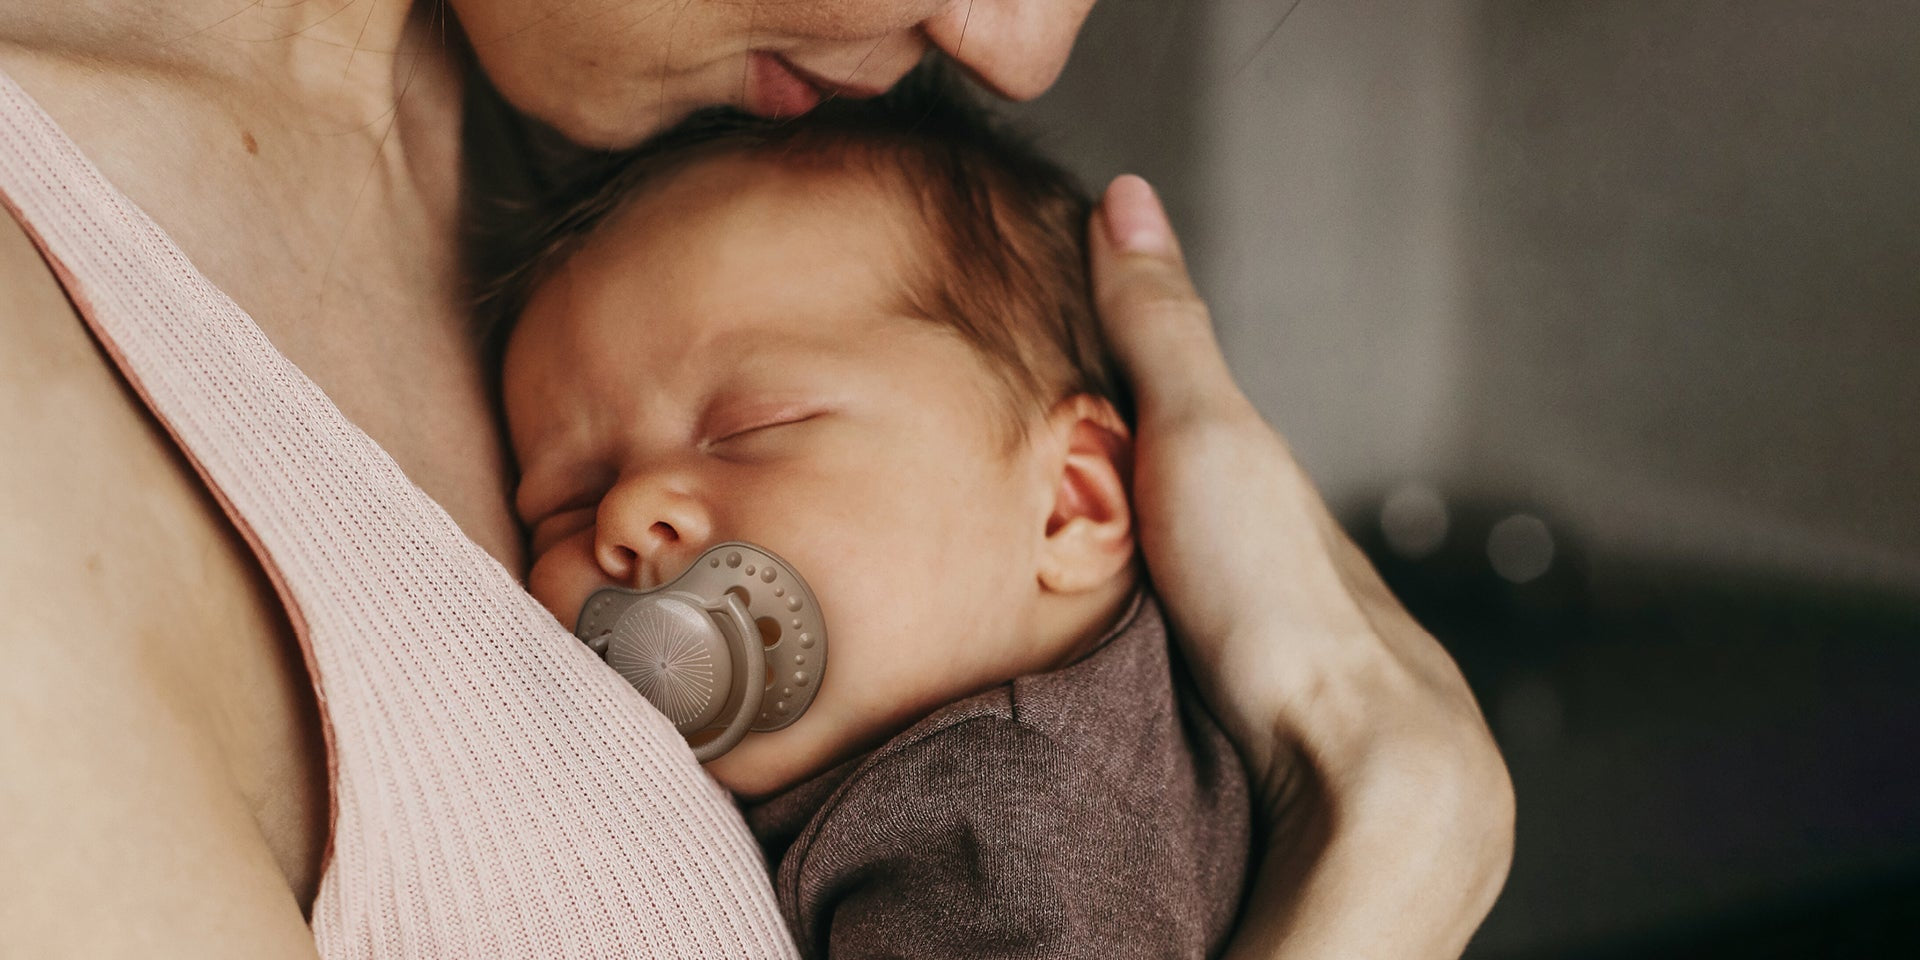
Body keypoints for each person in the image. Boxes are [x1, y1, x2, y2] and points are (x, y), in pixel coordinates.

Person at [0, 1, 1514, 957]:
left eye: (753, 429)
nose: (1019, 41)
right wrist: (1395, 853)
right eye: (558, 497)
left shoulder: (668, 174)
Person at [495, 76, 1251, 958]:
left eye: (750, 428)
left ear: (1069, 505)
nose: (625, 511)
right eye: (567, 499)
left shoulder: (1006, 819)